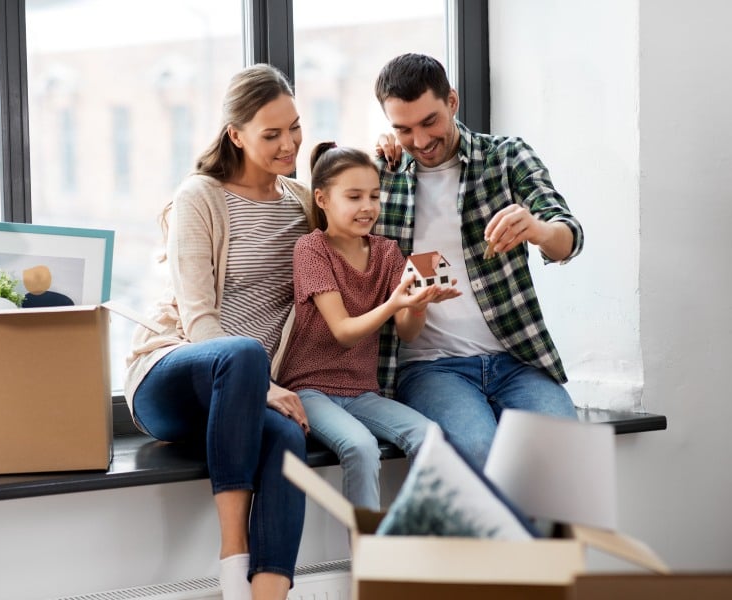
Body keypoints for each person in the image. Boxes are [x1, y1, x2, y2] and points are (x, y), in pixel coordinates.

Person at [124, 64, 313, 600]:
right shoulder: (200, 197)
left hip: (245, 396)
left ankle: (267, 595)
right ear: (236, 135)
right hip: (172, 377)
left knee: (286, 438)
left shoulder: (300, 204)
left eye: (294, 127)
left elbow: (351, 230)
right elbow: (198, 316)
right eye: (271, 134)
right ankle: (233, 558)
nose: (288, 144)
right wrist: (267, 385)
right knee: (245, 355)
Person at [372, 53, 585, 469]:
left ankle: (542, 537)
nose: (419, 141)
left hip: (515, 360)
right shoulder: (382, 173)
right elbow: (326, 196)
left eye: (429, 121)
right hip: (431, 369)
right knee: (480, 454)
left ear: (452, 101)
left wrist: (538, 230)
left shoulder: (506, 158)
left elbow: (569, 237)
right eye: (403, 129)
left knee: (566, 464)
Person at [276, 142, 459, 511]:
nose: (367, 207)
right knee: (359, 446)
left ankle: (421, 545)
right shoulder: (311, 249)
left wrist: (418, 305)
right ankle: (369, 563)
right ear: (323, 199)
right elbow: (343, 330)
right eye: (354, 196)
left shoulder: (388, 252)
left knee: (430, 436)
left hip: (362, 391)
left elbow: (406, 332)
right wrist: (394, 303)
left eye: (374, 196)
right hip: (310, 389)